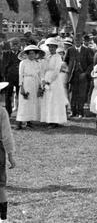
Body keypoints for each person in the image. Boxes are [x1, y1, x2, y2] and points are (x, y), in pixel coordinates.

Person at [40, 38, 68, 128]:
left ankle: (55, 121)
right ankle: (48, 119)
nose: (51, 49)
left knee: (54, 100)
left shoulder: (58, 57)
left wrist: (49, 81)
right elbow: (43, 69)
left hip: (55, 80)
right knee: (48, 99)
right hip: (47, 78)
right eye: (50, 47)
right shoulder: (47, 57)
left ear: (56, 48)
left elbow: (56, 71)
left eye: (53, 47)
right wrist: (43, 80)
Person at [16, 45, 45, 130]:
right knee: (24, 102)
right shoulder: (23, 63)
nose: (31, 55)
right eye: (30, 53)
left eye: (33, 53)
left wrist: (41, 85)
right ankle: (19, 123)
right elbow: (20, 75)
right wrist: (21, 86)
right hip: (26, 82)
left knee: (32, 103)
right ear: (27, 54)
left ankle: (29, 121)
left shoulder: (37, 63)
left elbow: (40, 75)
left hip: (35, 83)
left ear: (36, 54)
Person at [65, 37, 94, 118]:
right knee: (72, 94)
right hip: (72, 76)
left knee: (82, 94)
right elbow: (65, 61)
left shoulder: (87, 50)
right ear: (74, 41)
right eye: (76, 40)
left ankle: (80, 112)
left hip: (83, 75)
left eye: (79, 40)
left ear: (81, 41)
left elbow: (91, 64)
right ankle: (73, 112)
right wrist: (69, 71)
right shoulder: (70, 50)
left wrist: (85, 73)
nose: (77, 41)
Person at [0, 82, 16, 222]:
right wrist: (10, 154)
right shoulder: (1, 112)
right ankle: (3, 218)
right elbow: (6, 135)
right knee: (0, 186)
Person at [0, 39, 21, 116]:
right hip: (9, 77)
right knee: (8, 95)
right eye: (13, 44)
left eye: (16, 44)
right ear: (10, 45)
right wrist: (4, 76)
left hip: (19, 78)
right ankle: (8, 112)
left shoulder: (22, 54)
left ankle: (20, 113)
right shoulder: (6, 54)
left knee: (20, 96)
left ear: (19, 45)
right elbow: (3, 66)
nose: (15, 46)